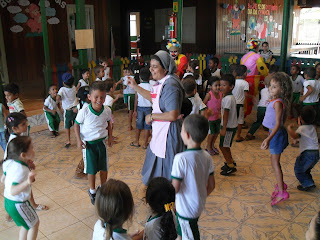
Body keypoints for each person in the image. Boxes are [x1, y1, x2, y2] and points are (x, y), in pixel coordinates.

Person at [127, 50, 185, 185]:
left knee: (167, 164)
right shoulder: (164, 81)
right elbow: (155, 99)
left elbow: (173, 114)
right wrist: (135, 87)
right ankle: (159, 190)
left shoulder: (170, 85)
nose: (151, 69)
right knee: (159, 159)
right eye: (150, 66)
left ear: (165, 68)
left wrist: (152, 116)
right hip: (162, 130)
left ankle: (168, 194)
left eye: (155, 66)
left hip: (169, 132)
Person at [171, 114, 215, 240]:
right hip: (198, 204)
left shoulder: (180, 158)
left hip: (185, 208)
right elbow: (212, 185)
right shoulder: (207, 156)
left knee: (190, 234)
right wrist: (199, 196)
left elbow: (176, 188)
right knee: (183, 230)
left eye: (182, 130)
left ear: (187, 135)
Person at [74, 81, 113, 205]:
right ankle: (92, 190)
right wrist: (78, 140)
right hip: (89, 145)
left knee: (104, 167)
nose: (99, 100)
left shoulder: (107, 110)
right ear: (89, 97)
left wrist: (110, 137)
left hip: (101, 143)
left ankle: (104, 188)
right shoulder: (84, 111)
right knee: (91, 169)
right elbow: (76, 125)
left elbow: (109, 124)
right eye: (96, 97)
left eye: (102, 97)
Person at [3, 113, 49, 212]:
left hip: (14, 167)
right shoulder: (15, 140)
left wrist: (29, 162)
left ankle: (10, 214)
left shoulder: (18, 136)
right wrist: (28, 163)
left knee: (23, 186)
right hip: (14, 168)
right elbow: (19, 156)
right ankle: (33, 205)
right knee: (26, 185)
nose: (26, 125)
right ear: (14, 128)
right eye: (23, 124)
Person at [261, 72, 292, 205]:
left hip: (276, 135)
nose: (270, 89)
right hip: (274, 134)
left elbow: (278, 123)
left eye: (274, 87)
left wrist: (268, 139)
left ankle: (281, 192)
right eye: (270, 86)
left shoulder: (278, 103)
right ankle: (281, 185)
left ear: (282, 89)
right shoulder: (275, 101)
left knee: (275, 163)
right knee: (274, 161)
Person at [2, 137, 39, 240]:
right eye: (32, 148)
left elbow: (3, 180)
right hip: (18, 204)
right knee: (34, 224)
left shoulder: (10, 162)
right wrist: (27, 181)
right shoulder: (21, 170)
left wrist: (28, 164)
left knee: (26, 225)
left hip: (9, 202)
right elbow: (13, 191)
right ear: (23, 155)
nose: (34, 150)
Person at [287, 106, 319, 191]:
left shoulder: (301, 129)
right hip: (316, 153)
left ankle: (307, 184)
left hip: (307, 154)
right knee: (306, 169)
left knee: (299, 170)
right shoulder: (313, 127)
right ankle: (309, 182)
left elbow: (294, 136)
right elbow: (308, 138)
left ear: (300, 119)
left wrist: (289, 129)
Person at [245, 65, 279, 140]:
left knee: (258, 121)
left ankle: (250, 133)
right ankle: (271, 137)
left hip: (260, 107)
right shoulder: (273, 91)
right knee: (272, 122)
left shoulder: (262, 90)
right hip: (269, 108)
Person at [219, 74, 238, 176]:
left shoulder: (228, 99)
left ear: (231, 87)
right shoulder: (228, 97)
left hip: (228, 127)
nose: (221, 87)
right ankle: (230, 161)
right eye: (220, 85)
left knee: (223, 146)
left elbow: (226, 114)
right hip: (228, 126)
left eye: (224, 85)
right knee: (225, 146)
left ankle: (230, 166)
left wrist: (224, 128)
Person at [131, 67, 152, 149]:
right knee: (147, 126)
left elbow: (136, 99)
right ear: (150, 76)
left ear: (140, 77)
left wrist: (135, 110)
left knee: (138, 125)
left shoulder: (138, 86)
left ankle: (136, 141)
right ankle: (145, 144)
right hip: (149, 108)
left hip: (139, 108)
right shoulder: (152, 87)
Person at [56, 72, 78, 148]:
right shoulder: (74, 87)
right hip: (75, 109)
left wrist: (58, 101)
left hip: (68, 111)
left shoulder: (62, 89)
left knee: (67, 126)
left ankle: (68, 140)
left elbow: (58, 98)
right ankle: (79, 138)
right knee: (77, 124)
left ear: (63, 82)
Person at [203, 76, 222, 155]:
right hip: (210, 119)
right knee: (211, 133)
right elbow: (203, 105)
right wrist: (207, 112)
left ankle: (212, 145)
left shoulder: (221, 94)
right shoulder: (209, 95)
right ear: (210, 86)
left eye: (219, 85)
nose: (218, 87)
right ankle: (208, 147)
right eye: (216, 85)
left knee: (217, 132)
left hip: (218, 117)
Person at [232, 65, 251, 142]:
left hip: (232, 103)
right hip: (239, 104)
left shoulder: (233, 81)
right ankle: (238, 136)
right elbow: (246, 94)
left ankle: (229, 135)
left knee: (232, 119)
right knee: (240, 121)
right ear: (245, 73)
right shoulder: (245, 83)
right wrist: (252, 97)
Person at [74, 86, 90, 179]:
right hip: (84, 135)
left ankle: (84, 170)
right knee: (86, 154)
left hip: (84, 133)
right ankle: (80, 172)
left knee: (86, 153)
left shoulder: (81, 105)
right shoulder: (86, 107)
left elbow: (75, 110)